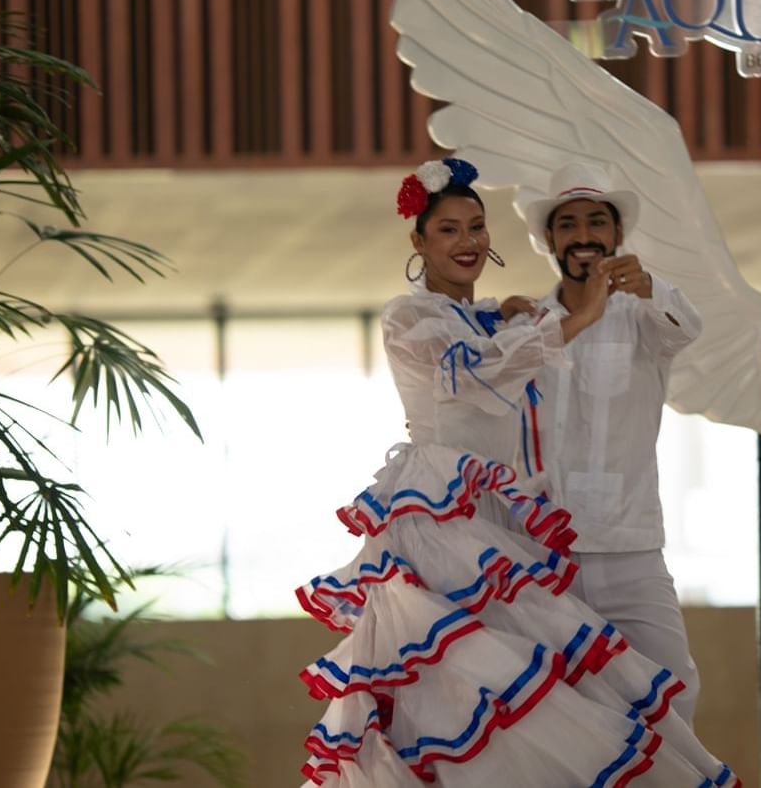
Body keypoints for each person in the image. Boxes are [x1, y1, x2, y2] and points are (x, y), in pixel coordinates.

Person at [295, 158, 738, 786]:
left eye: (476, 226)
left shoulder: (514, 319)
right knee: (457, 695)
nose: (469, 240)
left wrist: (546, 313)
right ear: (418, 242)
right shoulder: (414, 316)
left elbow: (682, 326)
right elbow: (475, 373)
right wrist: (570, 320)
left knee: (542, 705)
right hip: (443, 529)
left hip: (512, 532)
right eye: (448, 230)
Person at [515, 161, 704, 725]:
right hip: (547, 553)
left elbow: (686, 327)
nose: (583, 236)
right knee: (554, 709)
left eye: (596, 222)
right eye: (567, 224)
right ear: (550, 239)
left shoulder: (644, 315)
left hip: (632, 548)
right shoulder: (529, 323)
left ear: (616, 235)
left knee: (671, 695)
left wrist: (652, 287)